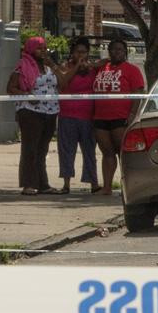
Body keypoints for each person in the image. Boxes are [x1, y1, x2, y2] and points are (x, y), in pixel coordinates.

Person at [92, 38, 146, 195]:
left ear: (125, 52)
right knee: (107, 152)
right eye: (113, 49)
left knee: (123, 153)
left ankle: (128, 187)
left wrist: (132, 114)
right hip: (101, 117)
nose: (116, 52)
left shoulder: (131, 70)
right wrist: (97, 64)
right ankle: (107, 187)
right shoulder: (102, 68)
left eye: (120, 49)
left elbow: (138, 93)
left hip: (121, 118)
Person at [8, 36, 60, 195]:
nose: (43, 51)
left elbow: (61, 81)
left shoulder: (48, 66)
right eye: (39, 48)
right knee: (30, 149)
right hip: (30, 112)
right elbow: (11, 88)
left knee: (42, 149)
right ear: (31, 49)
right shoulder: (22, 66)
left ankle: (43, 184)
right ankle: (28, 184)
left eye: (45, 48)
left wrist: (53, 65)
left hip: (50, 111)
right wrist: (28, 95)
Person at [56, 35, 101, 194]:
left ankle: (93, 182)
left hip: (88, 117)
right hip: (67, 115)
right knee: (67, 150)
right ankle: (66, 184)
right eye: (77, 52)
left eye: (84, 52)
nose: (80, 55)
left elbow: (106, 62)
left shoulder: (93, 69)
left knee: (89, 150)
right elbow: (63, 82)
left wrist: (90, 65)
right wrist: (76, 67)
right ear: (72, 53)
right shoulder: (64, 67)